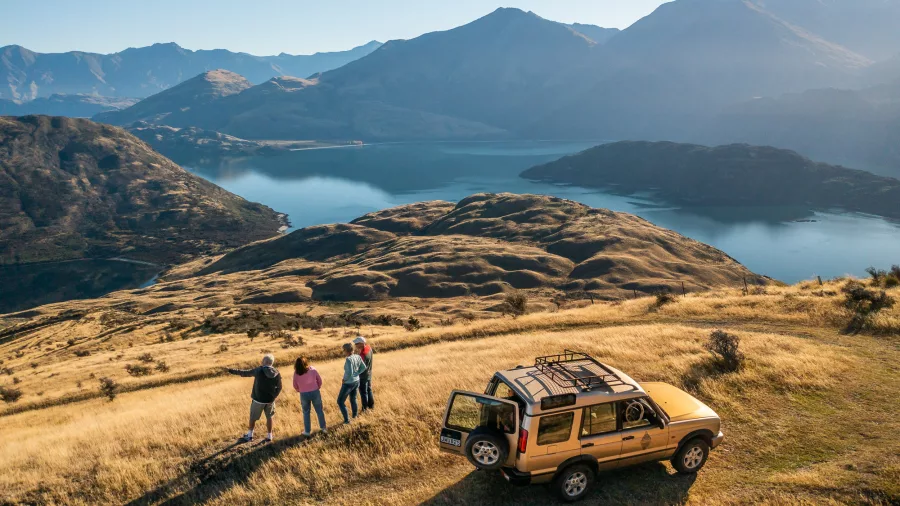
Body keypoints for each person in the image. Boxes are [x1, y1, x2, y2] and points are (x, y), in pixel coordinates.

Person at [227, 354, 283, 443]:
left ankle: (250, 435)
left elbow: (245, 373)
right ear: (271, 363)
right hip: (270, 400)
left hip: (258, 400)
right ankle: (269, 436)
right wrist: (273, 397)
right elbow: (279, 387)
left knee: (253, 417)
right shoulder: (276, 372)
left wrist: (231, 371)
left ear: (264, 361)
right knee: (269, 417)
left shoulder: (259, 370)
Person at [292, 355, 327, 437]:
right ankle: (323, 428)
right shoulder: (313, 369)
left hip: (303, 394)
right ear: (306, 362)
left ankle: (307, 431)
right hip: (315, 392)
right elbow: (319, 380)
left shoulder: (296, 373)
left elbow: (295, 385)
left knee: (306, 412)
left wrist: (299, 390)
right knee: (319, 411)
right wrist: (317, 387)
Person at [337, 343, 367, 424]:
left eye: (343, 350)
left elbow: (349, 372)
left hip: (348, 383)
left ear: (346, 351)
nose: (343, 351)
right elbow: (364, 367)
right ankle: (355, 416)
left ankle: (347, 420)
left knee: (340, 401)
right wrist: (357, 373)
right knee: (353, 399)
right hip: (357, 381)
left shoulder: (348, 359)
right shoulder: (358, 356)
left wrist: (344, 379)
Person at [353, 336, 375, 411]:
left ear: (362, 343)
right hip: (369, 373)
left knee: (363, 392)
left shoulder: (363, 354)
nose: (355, 345)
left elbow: (360, 367)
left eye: (357, 343)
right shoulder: (369, 348)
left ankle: (365, 409)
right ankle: (371, 406)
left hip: (363, 375)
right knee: (369, 389)